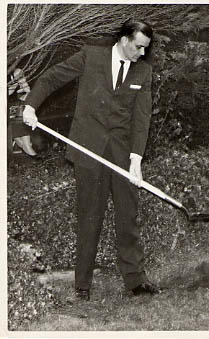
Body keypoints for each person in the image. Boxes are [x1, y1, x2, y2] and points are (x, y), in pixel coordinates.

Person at [22, 18, 162, 300]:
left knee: (128, 214)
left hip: (122, 154)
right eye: (138, 47)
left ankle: (135, 280)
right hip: (88, 150)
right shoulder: (91, 56)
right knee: (89, 217)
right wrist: (30, 106)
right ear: (123, 40)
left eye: (146, 48)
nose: (142, 53)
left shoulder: (143, 71)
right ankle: (82, 286)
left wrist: (135, 159)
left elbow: (141, 118)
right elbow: (51, 78)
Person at [8, 68, 39, 158]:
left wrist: (26, 88)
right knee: (22, 142)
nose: (21, 77)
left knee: (26, 143)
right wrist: (15, 84)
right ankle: (36, 160)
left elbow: (31, 96)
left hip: (19, 111)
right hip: (11, 112)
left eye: (22, 74)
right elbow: (8, 94)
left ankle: (37, 161)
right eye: (17, 75)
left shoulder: (26, 83)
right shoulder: (10, 85)